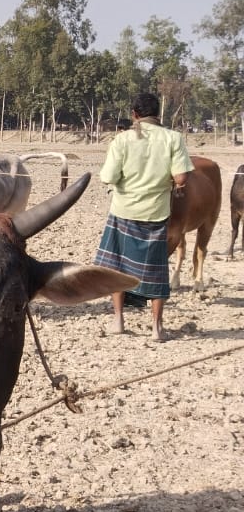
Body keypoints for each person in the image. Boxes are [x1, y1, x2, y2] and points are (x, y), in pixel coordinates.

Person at [93, 92, 193, 341]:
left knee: (117, 267)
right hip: (156, 214)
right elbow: (181, 179)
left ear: (134, 114)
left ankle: (118, 321)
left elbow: (108, 177)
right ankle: (157, 328)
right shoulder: (173, 138)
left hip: (123, 212)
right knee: (157, 270)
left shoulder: (122, 139)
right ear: (158, 114)